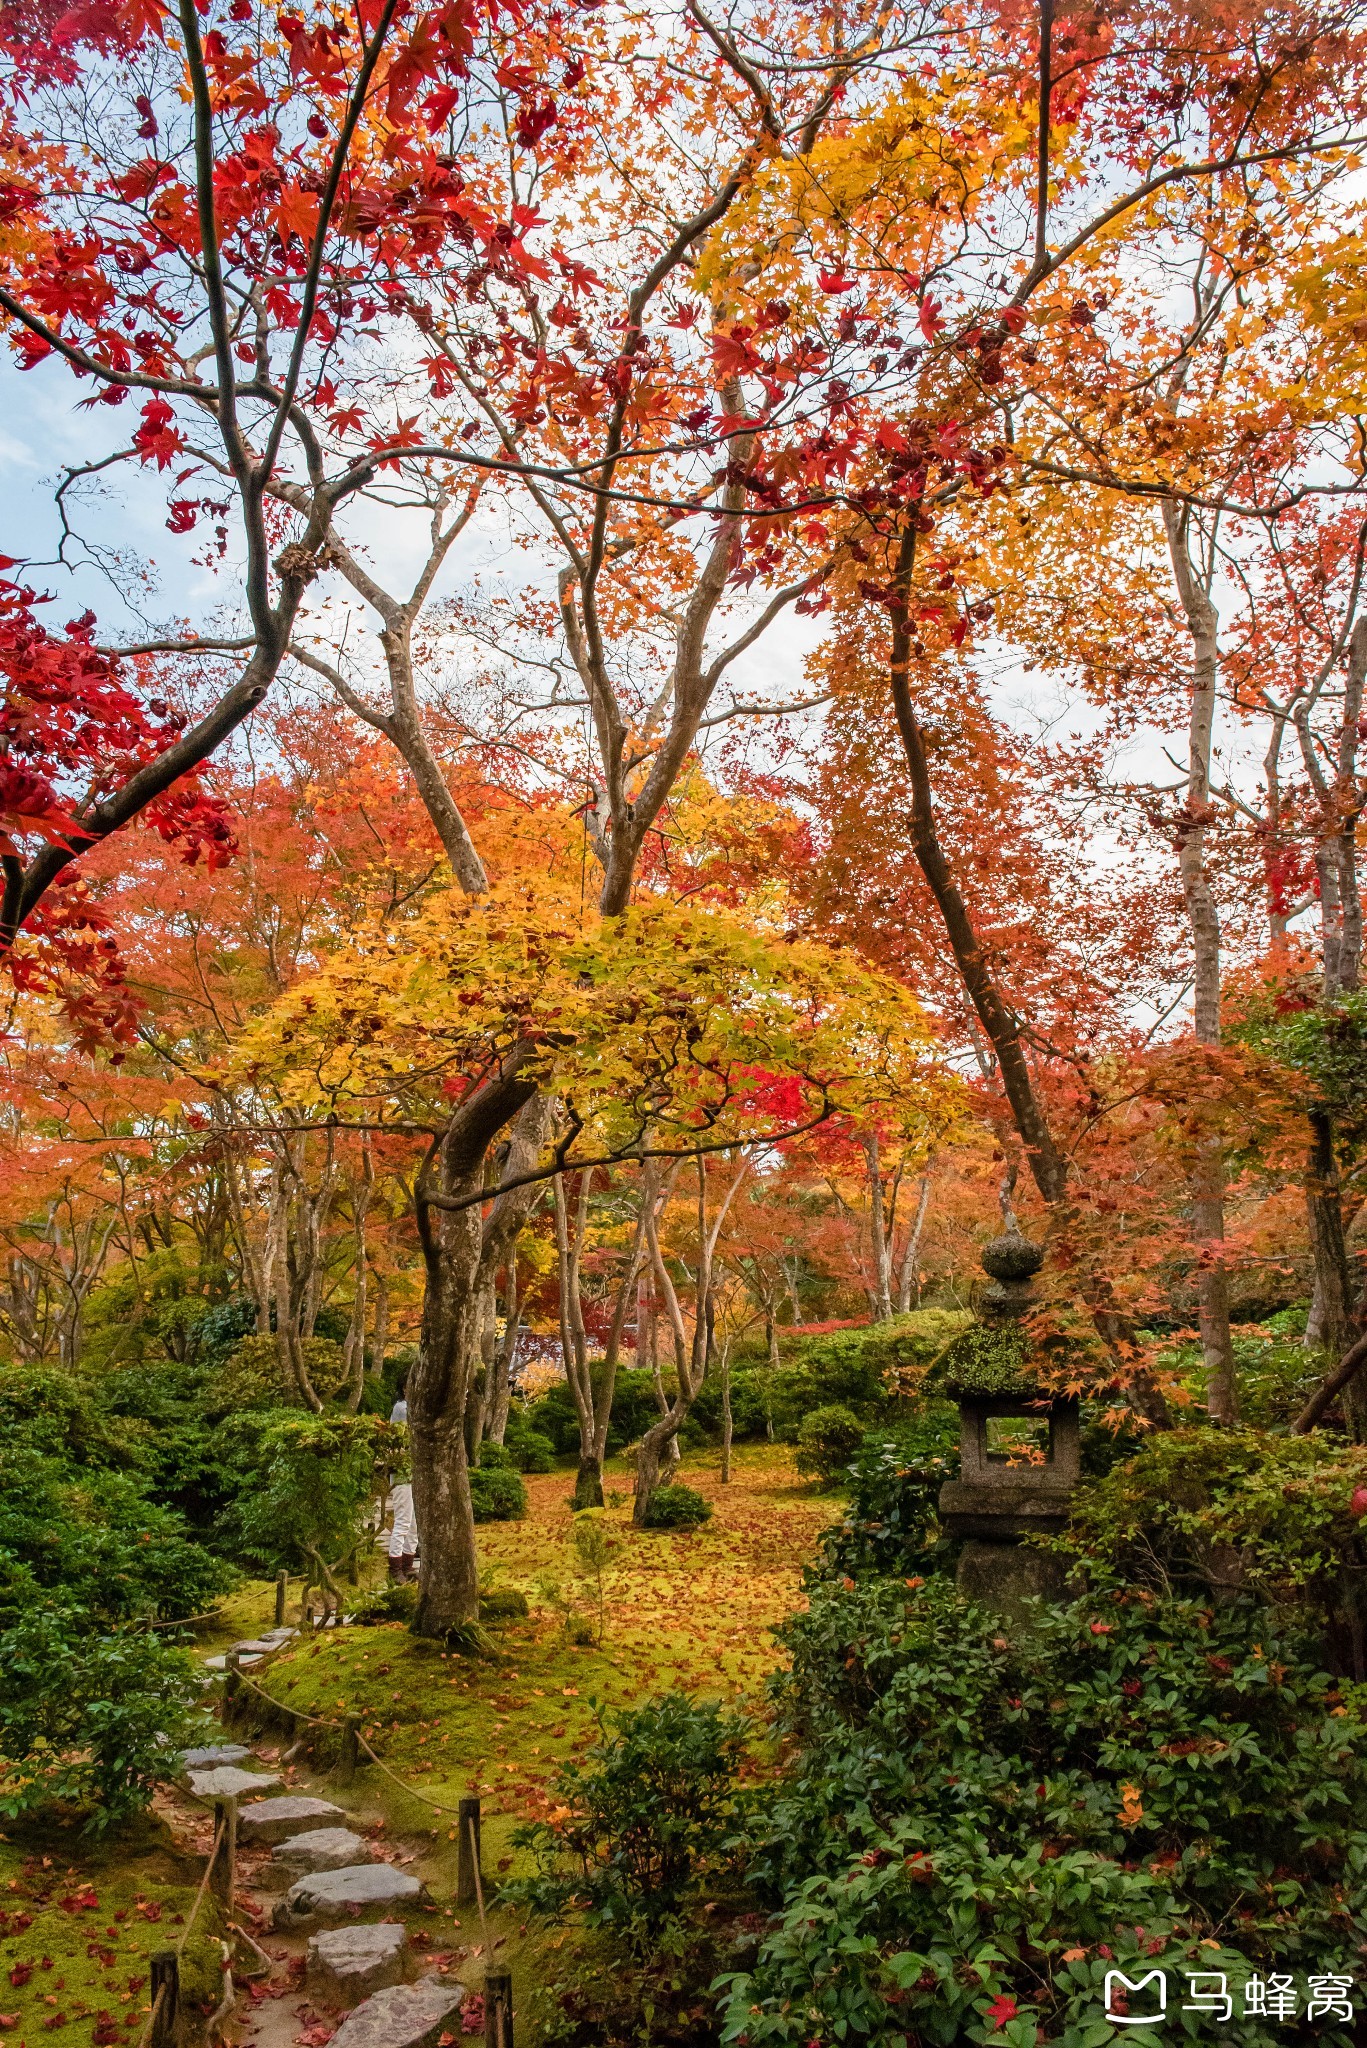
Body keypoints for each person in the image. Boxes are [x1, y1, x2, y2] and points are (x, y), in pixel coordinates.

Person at [387, 1380, 418, 1583]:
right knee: (403, 1521)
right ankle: (395, 1569)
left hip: (415, 1472)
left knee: (414, 1524)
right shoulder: (402, 1408)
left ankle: (408, 1566)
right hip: (401, 1471)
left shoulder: (414, 1407)